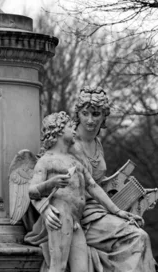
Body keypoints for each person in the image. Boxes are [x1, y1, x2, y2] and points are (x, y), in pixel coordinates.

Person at [44, 87, 156, 272]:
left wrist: (120, 209)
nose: (90, 120)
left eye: (96, 114)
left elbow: (95, 184)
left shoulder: (97, 143)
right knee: (138, 238)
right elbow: (42, 173)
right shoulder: (67, 141)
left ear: (104, 116)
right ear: (77, 114)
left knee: (138, 233)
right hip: (79, 217)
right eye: (85, 113)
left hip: (100, 211)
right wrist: (45, 209)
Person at [28, 111, 140, 272]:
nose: (74, 130)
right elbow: (32, 191)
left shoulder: (75, 161)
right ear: (58, 131)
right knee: (58, 267)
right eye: (69, 126)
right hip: (60, 216)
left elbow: (93, 187)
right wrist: (51, 183)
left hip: (75, 221)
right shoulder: (47, 160)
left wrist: (117, 211)